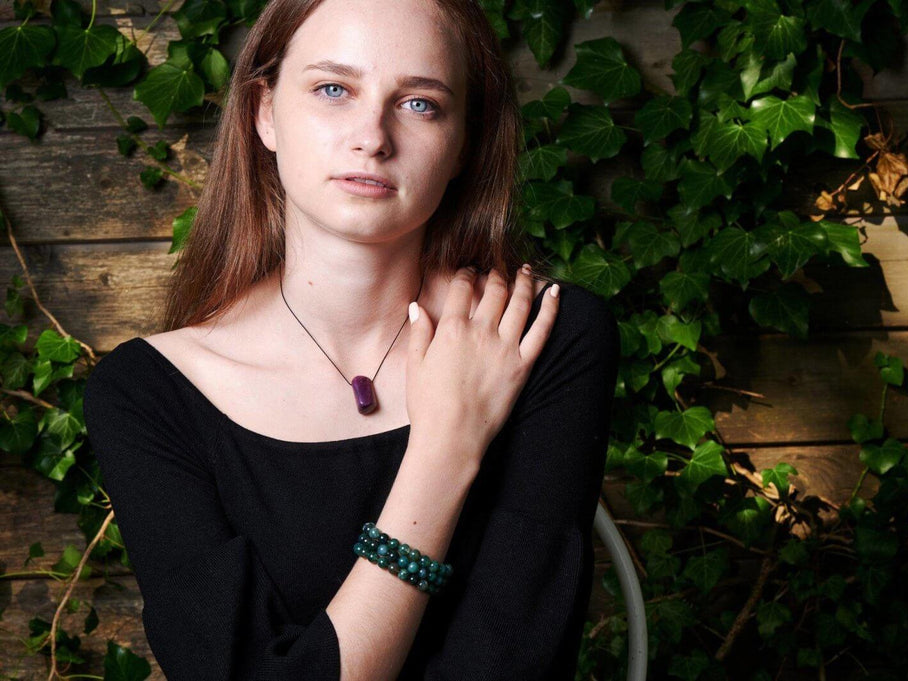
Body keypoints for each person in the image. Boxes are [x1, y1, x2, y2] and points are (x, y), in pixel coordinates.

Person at [82, 0, 619, 679]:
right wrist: (446, 449)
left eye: (420, 103)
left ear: (464, 141)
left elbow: (511, 663)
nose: (372, 137)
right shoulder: (145, 393)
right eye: (334, 89)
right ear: (265, 112)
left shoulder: (544, 336)